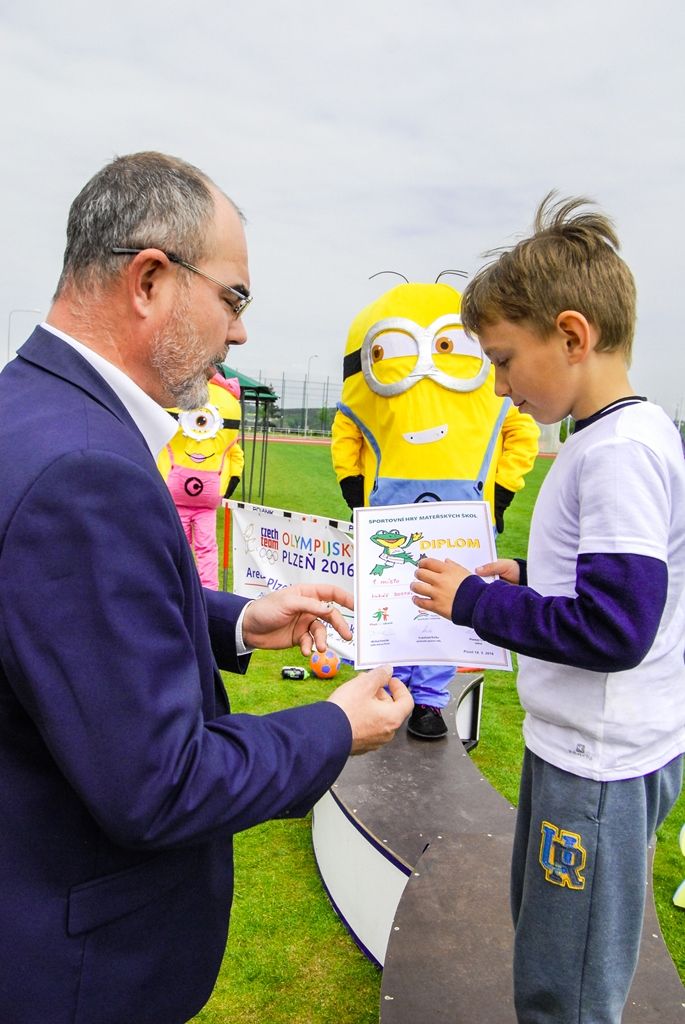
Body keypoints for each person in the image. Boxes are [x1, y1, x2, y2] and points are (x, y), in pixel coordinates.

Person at [0, 151, 413, 1024]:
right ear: (150, 280)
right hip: (81, 977)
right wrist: (334, 728)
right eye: (235, 298)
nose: (240, 333)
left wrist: (238, 621)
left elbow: (63, 627)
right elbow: (161, 785)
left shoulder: (31, 412)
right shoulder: (83, 468)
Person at [410, 194, 685, 1022]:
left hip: (596, 760)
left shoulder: (618, 454)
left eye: (502, 361)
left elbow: (615, 628)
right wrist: (530, 576)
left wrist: (477, 603)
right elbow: (628, 583)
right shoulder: (618, 437)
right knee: (547, 950)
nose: (499, 388)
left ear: (571, 336)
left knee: (564, 990)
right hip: (579, 746)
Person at [331, 279, 539, 738]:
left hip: (460, 517)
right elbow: (347, 428)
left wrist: (501, 492)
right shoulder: (368, 392)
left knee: (446, 604)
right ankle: (391, 686)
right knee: (391, 601)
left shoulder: (497, 390)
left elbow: (520, 432)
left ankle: (427, 698)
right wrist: (355, 491)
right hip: (393, 513)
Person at [158, 371, 245, 588]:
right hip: (193, 498)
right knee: (190, 545)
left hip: (197, 501)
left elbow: (234, 453)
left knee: (192, 545)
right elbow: (236, 455)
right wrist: (232, 480)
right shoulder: (184, 401)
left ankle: (199, 588)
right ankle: (194, 587)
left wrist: (232, 479)